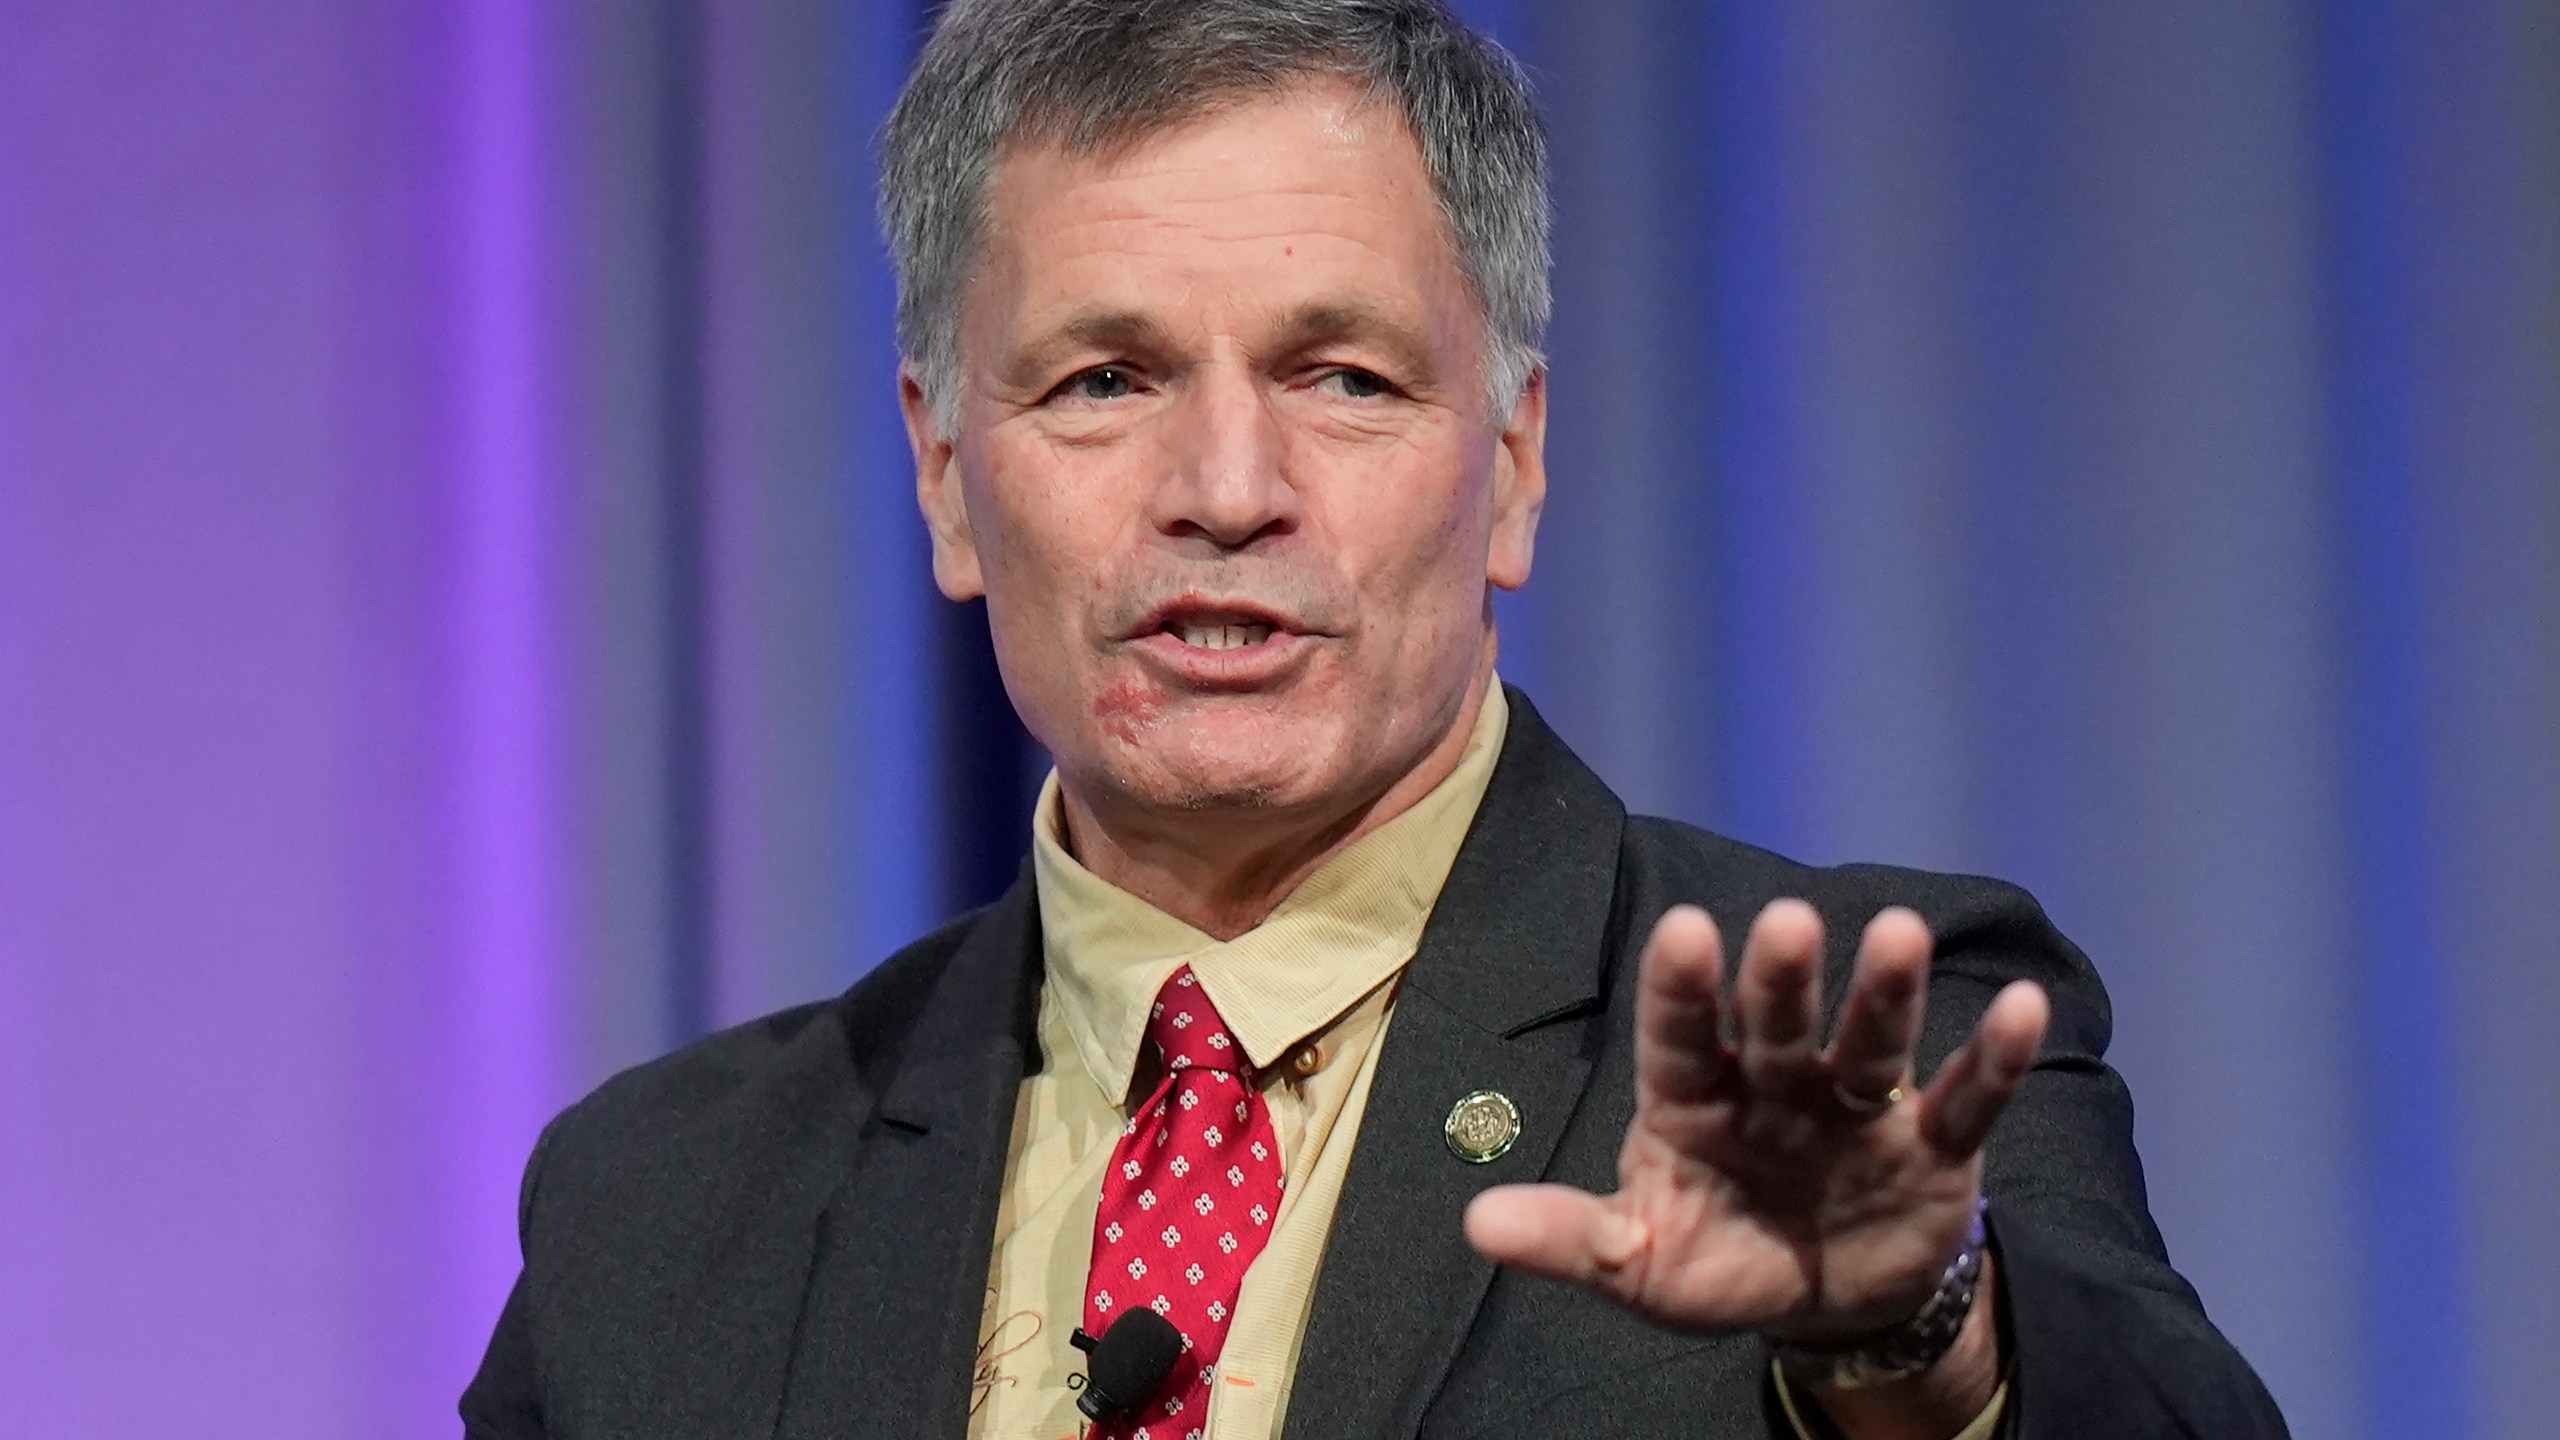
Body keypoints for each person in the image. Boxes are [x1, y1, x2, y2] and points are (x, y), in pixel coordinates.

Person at [462, 2, 2288, 1436]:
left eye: (1343, 376)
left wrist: (1924, 1336)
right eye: (1106, 380)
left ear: (1512, 463)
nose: (1228, 487)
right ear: (947, 475)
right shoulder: (664, 1210)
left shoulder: (1825, 1045)